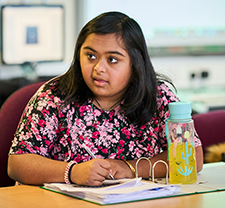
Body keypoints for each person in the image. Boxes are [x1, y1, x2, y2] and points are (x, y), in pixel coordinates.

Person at [8, 11, 203, 186]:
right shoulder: (53, 96)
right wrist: (72, 172)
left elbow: (193, 157)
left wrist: (131, 168)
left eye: (112, 59)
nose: (98, 68)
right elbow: (17, 164)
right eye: (91, 56)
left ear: (135, 63)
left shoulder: (157, 95)